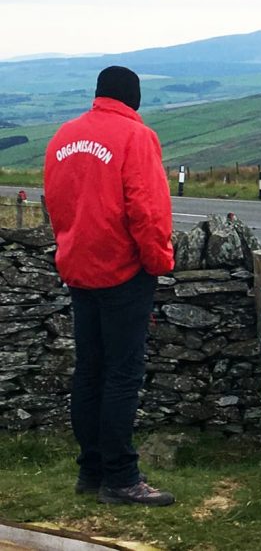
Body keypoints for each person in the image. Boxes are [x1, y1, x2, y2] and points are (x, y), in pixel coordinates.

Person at [43, 66, 176, 507]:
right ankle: (121, 478)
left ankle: (92, 470)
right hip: (123, 271)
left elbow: (56, 202)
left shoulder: (63, 136)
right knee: (122, 373)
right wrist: (157, 264)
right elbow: (148, 209)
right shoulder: (136, 137)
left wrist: (70, 248)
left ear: (99, 93)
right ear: (133, 97)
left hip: (79, 268)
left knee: (90, 370)